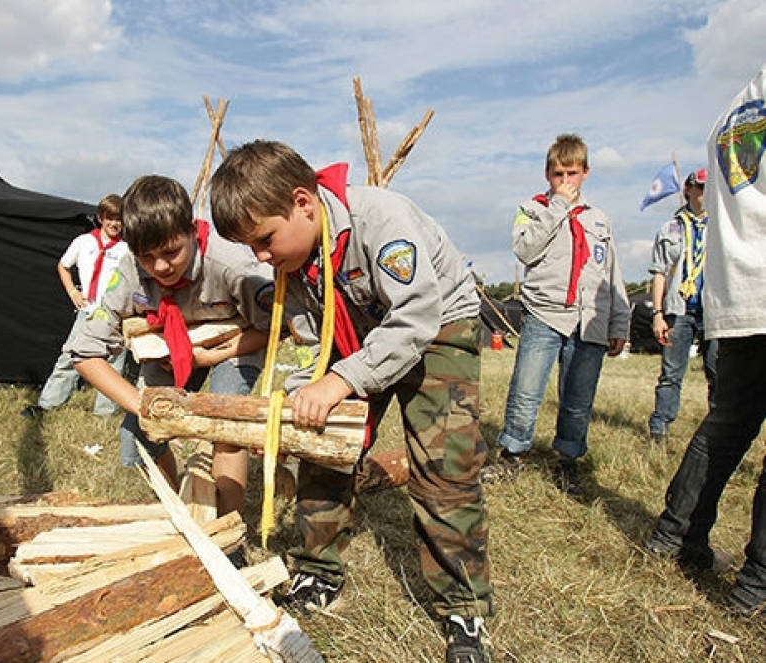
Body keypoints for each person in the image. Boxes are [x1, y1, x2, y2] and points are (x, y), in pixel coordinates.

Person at [210, 140, 492, 663]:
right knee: (323, 450)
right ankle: (318, 573)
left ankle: (464, 612)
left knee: (444, 469)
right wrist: (304, 393)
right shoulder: (293, 258)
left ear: (302, 201)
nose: (262, 257)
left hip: (436, 329)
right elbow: (307, 330)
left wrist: (340, 381)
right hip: (360, 336)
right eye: (252, 249)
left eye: (265, 241)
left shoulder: (380, 220)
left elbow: (414, 318)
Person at [68, 175, 274, 518]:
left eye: (170, 252)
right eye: (147, 257)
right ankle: (175, 511)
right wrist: (146, 407)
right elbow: (84, 351)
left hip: (234, 345)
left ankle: (227, 532)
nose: (160, 267)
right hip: (166, 350)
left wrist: (213, 354)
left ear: (192, 230)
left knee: (224, 426)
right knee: (140, 437)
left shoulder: (232, 267)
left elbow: (278, 325)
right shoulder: (130, 271)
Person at [646, 61, 766, 615]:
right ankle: (756, 584)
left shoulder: (731, 114)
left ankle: (674, 534)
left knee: (728, 421)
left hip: (739, 292)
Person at [481, 134, 631, 496]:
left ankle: (568, 460)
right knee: (526, 390)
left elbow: (612, 273)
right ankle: (512, 453)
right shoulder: (531, 210)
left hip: (590, 320)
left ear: (586, 173)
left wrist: (619, 322)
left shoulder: (599, 221)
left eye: (572, 173)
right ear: (546, 174)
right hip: (545, 314)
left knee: (578, 398)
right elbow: (525, 250)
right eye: (558, 174)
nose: (565, 181)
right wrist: (559, 207)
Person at [21, 194, 134, 418]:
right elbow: (63, 266)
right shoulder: (84, 242)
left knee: (113, 363)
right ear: (101, 218)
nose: (114, 223)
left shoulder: (127, 249)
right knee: (70, 357)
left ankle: (105, 413)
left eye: (119, 219)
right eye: (110, 218)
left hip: (115, 315)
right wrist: (73, 291)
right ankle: (47, 404)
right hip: (88, 312)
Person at [647, 168, 718, 445]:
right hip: (679, 310)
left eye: (708, 188)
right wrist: (657, 314)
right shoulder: (670, 228)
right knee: (671, 373)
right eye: (699, 187)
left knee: (718, 373)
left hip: (714, 310)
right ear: (687, 190)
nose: (703, 194)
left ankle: (719, 434)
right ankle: (660, 429)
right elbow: (659, 272)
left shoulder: (722, 225)